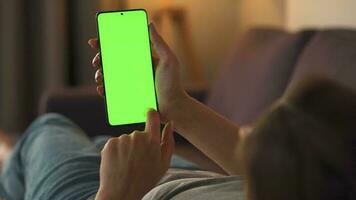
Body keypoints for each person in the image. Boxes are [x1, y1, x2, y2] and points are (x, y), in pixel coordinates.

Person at [0, 23, 354, 200]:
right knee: (95, 141)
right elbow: (275, 174)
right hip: (174, 175)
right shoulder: (315, 177)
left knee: (48, 130)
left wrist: (116, 193)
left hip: (120, 192)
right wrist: (177, 106)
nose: (246, 133)